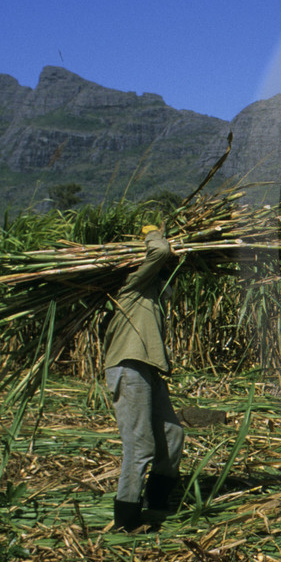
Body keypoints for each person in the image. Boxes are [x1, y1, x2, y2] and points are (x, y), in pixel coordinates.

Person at [102, 223, 184, 532]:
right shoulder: (131, 289)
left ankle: (157, 502)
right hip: (128, 367)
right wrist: (152, 233)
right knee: (139, 447)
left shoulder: (152, 298)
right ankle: (126, 520)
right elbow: (160, 250)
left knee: (173, 435)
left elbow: (167, 271)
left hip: (147, 369)